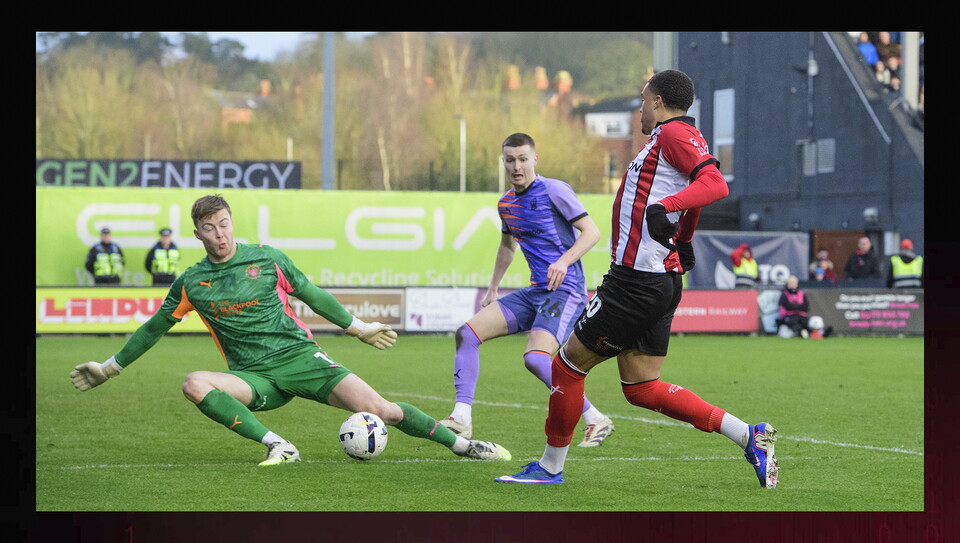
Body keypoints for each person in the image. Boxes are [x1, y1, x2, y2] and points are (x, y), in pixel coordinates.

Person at [70, 194, 511, 466]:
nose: (219, 234)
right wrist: (110, 368)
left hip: (303, 361)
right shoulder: (191, 282)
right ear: (197, 233)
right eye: (209, 228)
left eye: (224, 224)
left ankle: (462, 447)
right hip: (254, 378)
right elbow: (153, 328)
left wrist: (357, 328)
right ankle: (279, 445)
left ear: (231, 223)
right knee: (195, 383)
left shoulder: (267, 258)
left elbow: (311, 293)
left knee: (385, 410)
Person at [495, 70, 778, 488]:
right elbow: (695, 184)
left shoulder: (672, 135)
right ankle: (749, 435)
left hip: (634, 282)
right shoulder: (674, 138)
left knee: (567, 366)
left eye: (643, 100)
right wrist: (683, 237)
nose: (639, 109)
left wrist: (667, 211)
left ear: (659, 102)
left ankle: (550, 467)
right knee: (642, 388)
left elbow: (713, 184)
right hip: (659, 279)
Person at [438, 133, 614, 448]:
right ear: (503, 162)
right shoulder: (506, 203)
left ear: (535, 159)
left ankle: (595, 418)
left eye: (522, 159)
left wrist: (563, 261)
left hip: (566, 290)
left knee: (535, 359)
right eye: (510, 160)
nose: (516, 166)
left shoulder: (554, 190)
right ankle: (461, 419)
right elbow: (507, 247)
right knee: (466, 333)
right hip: (536, 292)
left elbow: (592, 232)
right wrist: (493, 287)